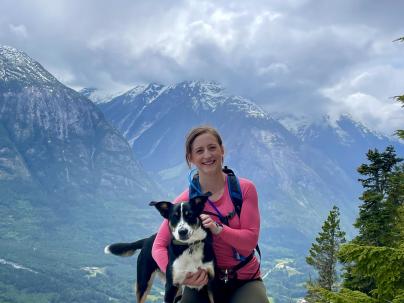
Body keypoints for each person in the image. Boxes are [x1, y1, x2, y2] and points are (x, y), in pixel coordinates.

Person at [152, 125, 269, 303]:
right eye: (199, 151)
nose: (207, 155)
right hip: (202, 282)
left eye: (212, 147)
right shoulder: (185, 203)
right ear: (190, 158)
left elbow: (249, 243)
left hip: (244, 279)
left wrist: (218, 229)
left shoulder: (244, 189)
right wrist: (181, 277)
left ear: (222, 150)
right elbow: (158, 246)